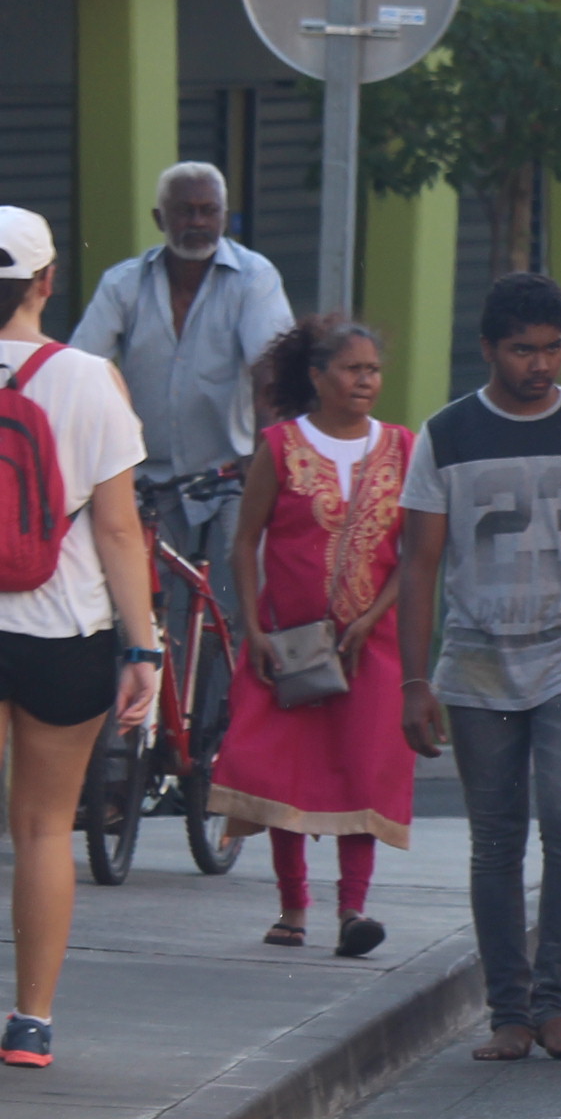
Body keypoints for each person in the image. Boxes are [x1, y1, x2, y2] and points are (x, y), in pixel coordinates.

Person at [396, 273, 561, 1060]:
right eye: (523, 349)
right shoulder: (447, 435)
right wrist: (414, 680)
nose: (541, 364)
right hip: (478, 660)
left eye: (553, 347)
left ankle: (558, 1004)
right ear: (489, 348)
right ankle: (508, 1014)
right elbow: (418, 563)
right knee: (495, 840)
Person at [0, 209, 161, 1072]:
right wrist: (143, 651)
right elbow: (118, 530)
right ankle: (30, 1022)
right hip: (63, 632)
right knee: (41, 829)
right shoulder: (90, 381)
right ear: (46, 281)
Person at [214, 317, 415, 954]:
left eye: (373, 370)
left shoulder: (405, 448)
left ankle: (353, 910)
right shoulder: (279, 446)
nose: (365, 381)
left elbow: (414, 554)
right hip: (289, 640)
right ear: (317, 376)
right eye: (353, 369)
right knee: (286, 772)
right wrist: (252, 625)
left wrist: (372, 615)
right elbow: (245, 541)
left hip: (371, 645)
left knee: (364, 768)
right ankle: (293, 907)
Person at [69, 162, 294, 610]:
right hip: (142, 473)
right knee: (137, 606)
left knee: (240, 602)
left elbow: (269, 369)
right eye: (185, 211)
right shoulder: (123, 284)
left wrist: (262, 456)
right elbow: (82, 368)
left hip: (228, 473)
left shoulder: (254, 277)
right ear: (159, 219)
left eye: (208, 211)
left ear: (224, 218)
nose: (197, 223)